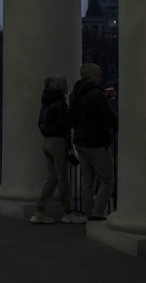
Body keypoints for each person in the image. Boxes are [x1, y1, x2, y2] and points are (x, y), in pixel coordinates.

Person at [31, 75, 86, 224]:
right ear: (59, 87)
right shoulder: (61, 103)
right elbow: (64, 125)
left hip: (47, 143)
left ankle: (39, 211)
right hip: (58, 143)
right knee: (63, 179)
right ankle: (68, 213)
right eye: (66, 84)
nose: (67, 87)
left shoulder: (46, 102)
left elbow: (41, 123)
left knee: (51, 178)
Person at [69, 63, 118, 220]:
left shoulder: (74, 94)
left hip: (80, 142)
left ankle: (90, 212)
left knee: (88, 181)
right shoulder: (97, 95)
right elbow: (110, 119)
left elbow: (77, 116)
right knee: (108, 180)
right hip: (96, 142)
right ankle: (97, 214)